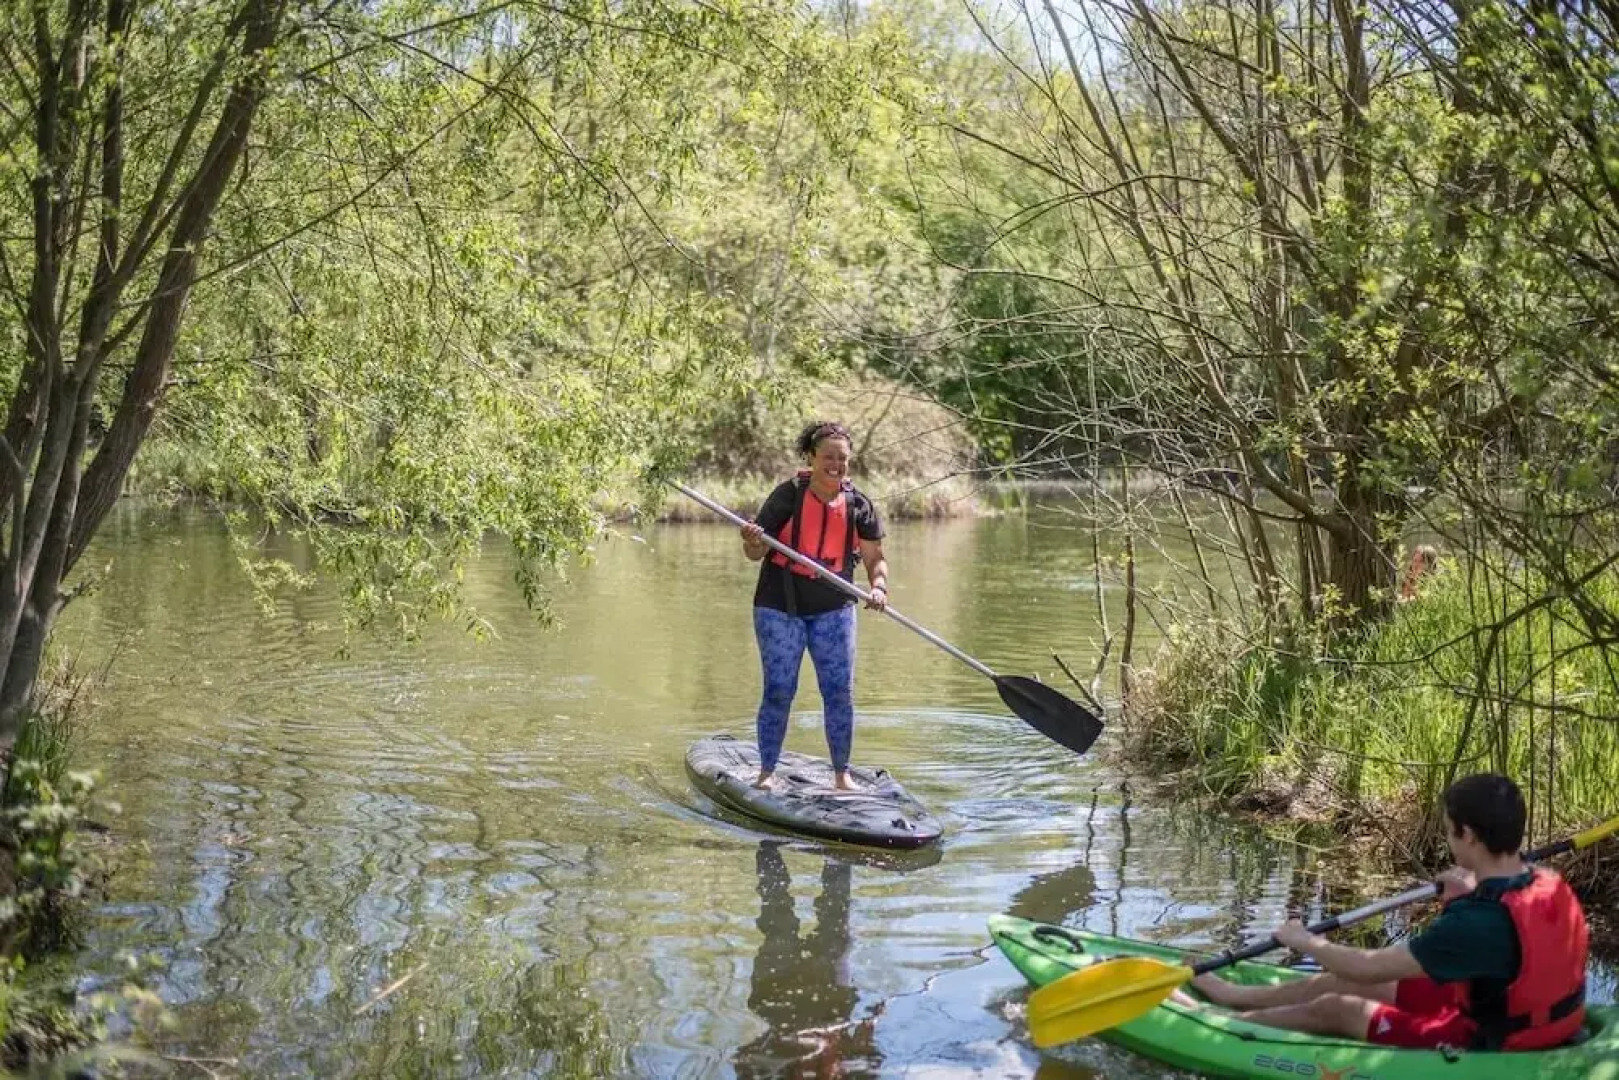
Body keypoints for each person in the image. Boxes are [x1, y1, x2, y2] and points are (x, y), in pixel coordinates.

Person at [1182, 773, 1588, 1051]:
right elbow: (1498, 935)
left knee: (1338, 1006)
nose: (1449, 839)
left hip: (1493, 1035)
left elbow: (1370, 967)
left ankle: (1213, 1024)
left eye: (1449, 830)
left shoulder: (1476, 925)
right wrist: (1464, 894)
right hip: (1528, 1013)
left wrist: (1304, 940)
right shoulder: (1544, 880)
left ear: (1468, 834)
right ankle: (1235, 996)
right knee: (1334, 979)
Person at [739, 421, 888, 792]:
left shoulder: (859, 505)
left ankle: (842, 776)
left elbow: (875, 558)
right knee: (779, 689)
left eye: (842, 458)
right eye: (828, 457)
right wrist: (753, 539)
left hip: (834, 608)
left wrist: (879, 586)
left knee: (839, 692)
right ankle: (766, 772)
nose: (835, 465)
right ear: (811, 457)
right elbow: (754, 554)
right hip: (779, 606)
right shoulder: (787, 496)